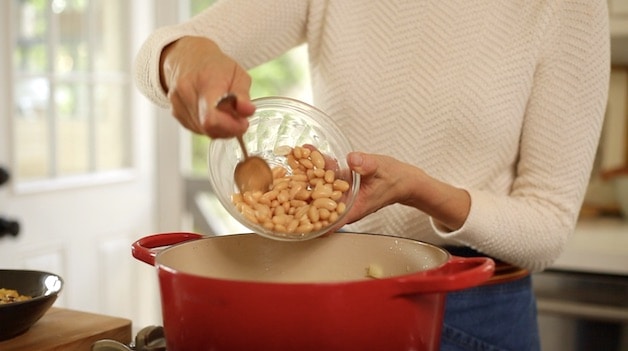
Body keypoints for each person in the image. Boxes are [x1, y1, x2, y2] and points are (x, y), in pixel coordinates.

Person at [134, 1, 610, 350]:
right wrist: (187, 60)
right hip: (330, 295)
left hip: (475, 312)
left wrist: (421, 190)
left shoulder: (568, 8)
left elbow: (548, 227)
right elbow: (155, 55)